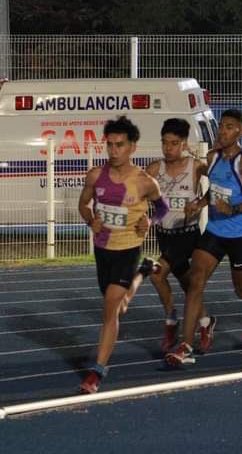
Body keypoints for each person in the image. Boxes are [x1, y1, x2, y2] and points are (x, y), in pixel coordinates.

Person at [164, 109, 242, 366]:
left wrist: (234, 209)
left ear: (241, 131)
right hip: (214, 231)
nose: (223, 131)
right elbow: (213, 191)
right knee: (195, 283)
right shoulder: (212, 157)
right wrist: (199, 203)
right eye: (222, 126)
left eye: (230, 127)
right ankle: (185, 346)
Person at [77, 116, 169, 393]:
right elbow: (84, 204)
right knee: (119, 306)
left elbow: (162, 209)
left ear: (132, 147)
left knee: (110, 309)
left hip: (128, 249)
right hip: (103, 250)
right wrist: (90, 220)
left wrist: (149, 221)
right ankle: (144, 271)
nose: (114, 150)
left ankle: (97, 371)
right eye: (110, 145)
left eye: (120, 145)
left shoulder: (144, 182)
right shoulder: (96, 175)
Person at [145, 118, 212, 352]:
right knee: (188, 286)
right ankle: (206, 322)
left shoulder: (196, 166)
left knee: (157, 275)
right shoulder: (154, 169)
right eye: (165, 143)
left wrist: (200, 202)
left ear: (184, 143)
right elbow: (138, 192)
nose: (168, 148)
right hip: (164, 235)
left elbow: (221, 183)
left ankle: (171, 321)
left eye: (174, 143)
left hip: (187, 235)